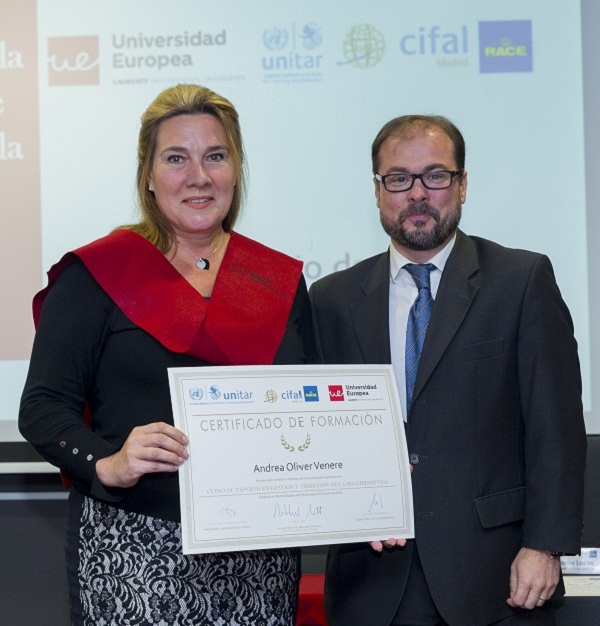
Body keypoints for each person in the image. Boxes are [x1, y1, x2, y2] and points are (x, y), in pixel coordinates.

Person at [19, 84, 315, 626]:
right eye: (176, 158)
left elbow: (313, 410)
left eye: (216, 156)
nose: (198, 176)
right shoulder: (98, 275)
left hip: (258, 555)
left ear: (236, 169)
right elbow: (42, 409)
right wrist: (107, 462)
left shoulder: (280, 281)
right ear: (148, 176)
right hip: (132, 545)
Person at [309, 115, 586, 626]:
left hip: (496, 576)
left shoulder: (521, 281)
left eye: (435, 176)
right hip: (370, 581)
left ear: (462, 185)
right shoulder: (331, 299)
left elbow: (556, 427)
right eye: (398, 178)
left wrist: (545, 546)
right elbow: (317, 428)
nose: (417, 194)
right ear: (377, 191)